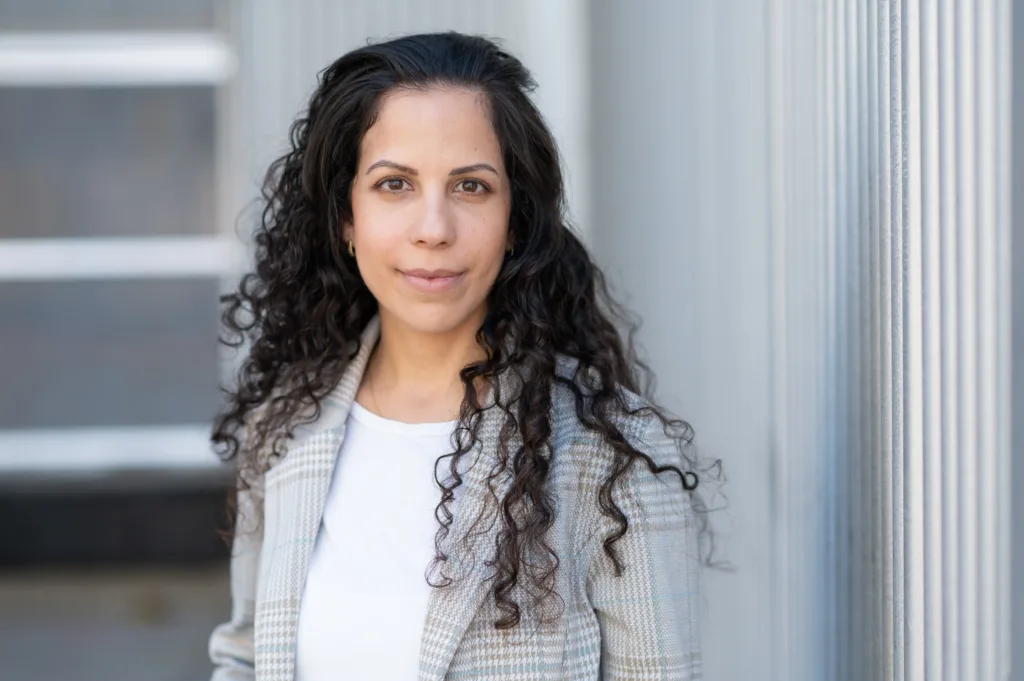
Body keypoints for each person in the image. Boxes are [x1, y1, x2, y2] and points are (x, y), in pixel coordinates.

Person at [208, 31, 714, 681]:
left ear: (515, 220)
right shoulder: (284, 427)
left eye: (471, 187)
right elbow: (246, 657)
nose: (433, 228)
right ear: (346, 219)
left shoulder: (611, 453)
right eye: (394, 184)